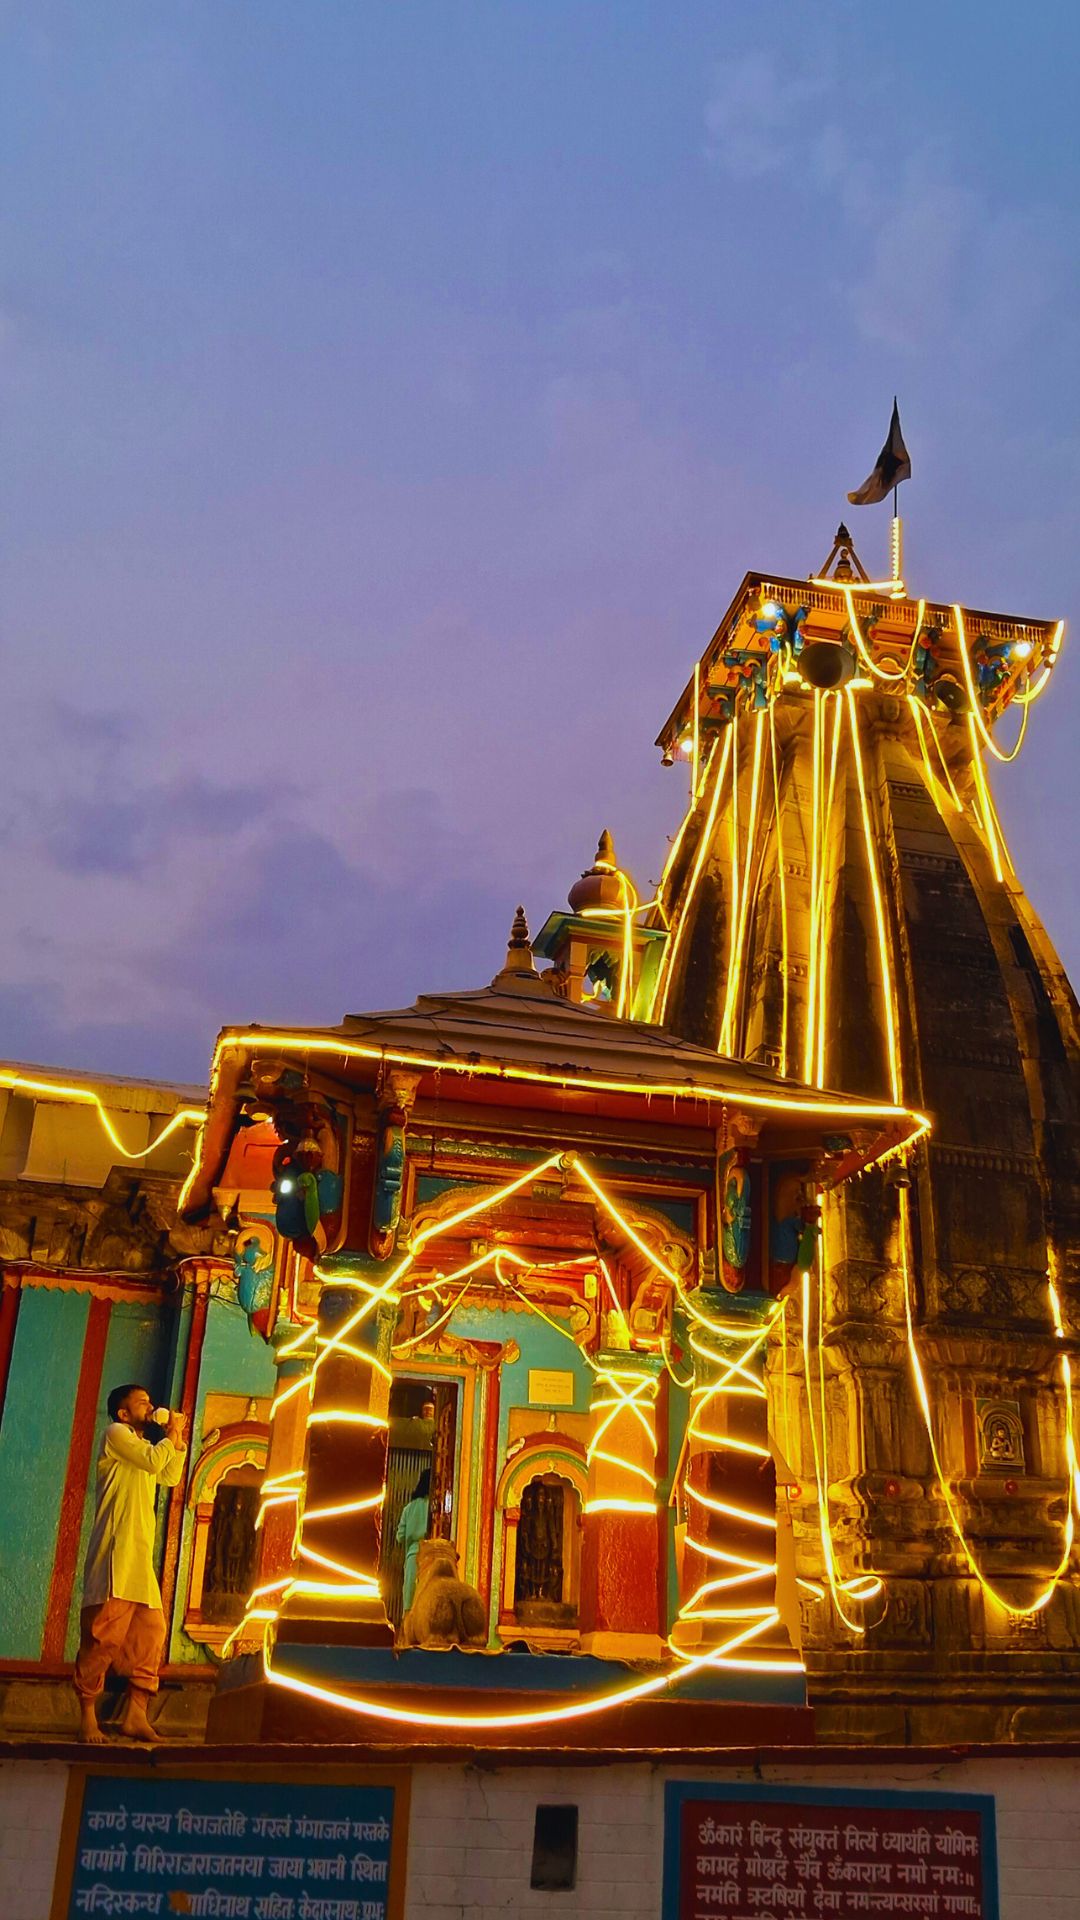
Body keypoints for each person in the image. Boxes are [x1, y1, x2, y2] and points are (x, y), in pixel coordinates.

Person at [73, 1383, 188, 1743]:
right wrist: (172, 1434)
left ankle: (136, 1714)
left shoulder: (142, 1446)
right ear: (124, 1413)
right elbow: (155, 1460)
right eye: (142, 1403)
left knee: (152, 1632)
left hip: (138, 1556)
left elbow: (167, 1474)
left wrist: (178, 1440)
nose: (150, 1407)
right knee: (104, 1635)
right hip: (115, 1552)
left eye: (150, 1402)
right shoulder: (116, 1434)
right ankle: (88, 1716)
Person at [395, 1469, 431, 1615]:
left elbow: (399, 1536)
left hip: (412, 1556)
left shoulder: (408, 1509)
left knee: (409, 1601)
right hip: (430, 1557)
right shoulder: (434, 1507)